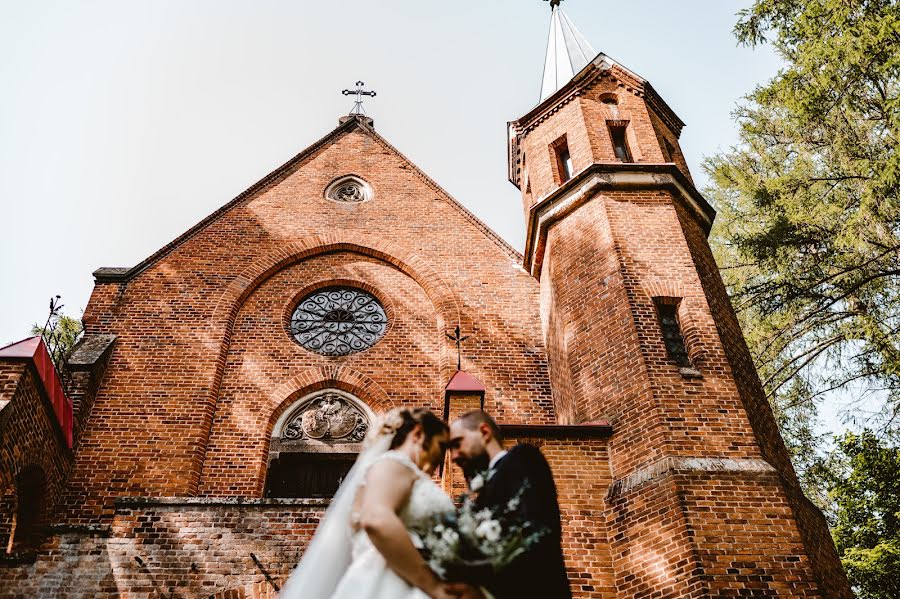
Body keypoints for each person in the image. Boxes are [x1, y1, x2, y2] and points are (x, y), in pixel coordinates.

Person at [280, 407, 466, 599]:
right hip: (391, 583)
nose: (442, 457)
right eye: (441, 446)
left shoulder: (396, 470)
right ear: (418, 433)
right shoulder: (394, 464)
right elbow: (377, 519)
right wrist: (432, 585)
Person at [447, 410, 572, 599]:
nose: (454, 456)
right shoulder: (478, 497)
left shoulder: (522, 458)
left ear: (484, 432)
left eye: (457, 443)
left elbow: (536, 534)